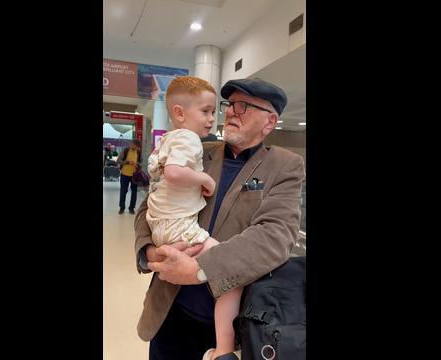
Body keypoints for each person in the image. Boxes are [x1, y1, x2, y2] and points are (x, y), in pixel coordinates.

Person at [134, 77, 305, 360]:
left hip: (227, 326)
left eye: (244, 106)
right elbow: (149, 205)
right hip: (170, 313)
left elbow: (275, 236)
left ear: (269, 122)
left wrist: (200, 269)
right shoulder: (199, 150)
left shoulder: (285, 166)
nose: (231, 112)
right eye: (230, 104)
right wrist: (149, 251)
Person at [144, 76, 238, 360]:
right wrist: (204, 179)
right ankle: (224, 350)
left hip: (162, 224)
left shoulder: (168, 141)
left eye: (214, 111)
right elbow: (173, 173)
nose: (214, 118)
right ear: (180, 113)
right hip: (179, 231)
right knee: (231, 276)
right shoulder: (191, 141)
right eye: (207, 111)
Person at [116, 139, 142, 214]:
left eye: (136, 146)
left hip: (134, 175)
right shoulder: (126, 150)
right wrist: (127, 162)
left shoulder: (139, 152)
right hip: (124, 174)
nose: (134, 147)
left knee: (134, 192)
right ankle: (122, 207)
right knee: (123, 191)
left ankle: (131, 208)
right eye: (133, 145)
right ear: (131, 144)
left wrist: (137, 164)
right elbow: (118, 161)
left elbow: (141, 162)